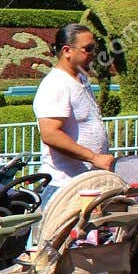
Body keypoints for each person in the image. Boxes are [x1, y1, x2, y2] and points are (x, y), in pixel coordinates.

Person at [33, 25, 114, 205]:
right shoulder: (56, 84)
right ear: (67, 51)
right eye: (88, 49)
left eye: (95, 48)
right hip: (64, 187)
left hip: (84, 185)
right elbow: (50, 134)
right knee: (52, 234)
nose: (93, 53)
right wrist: (94, 157)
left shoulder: (80, 78)